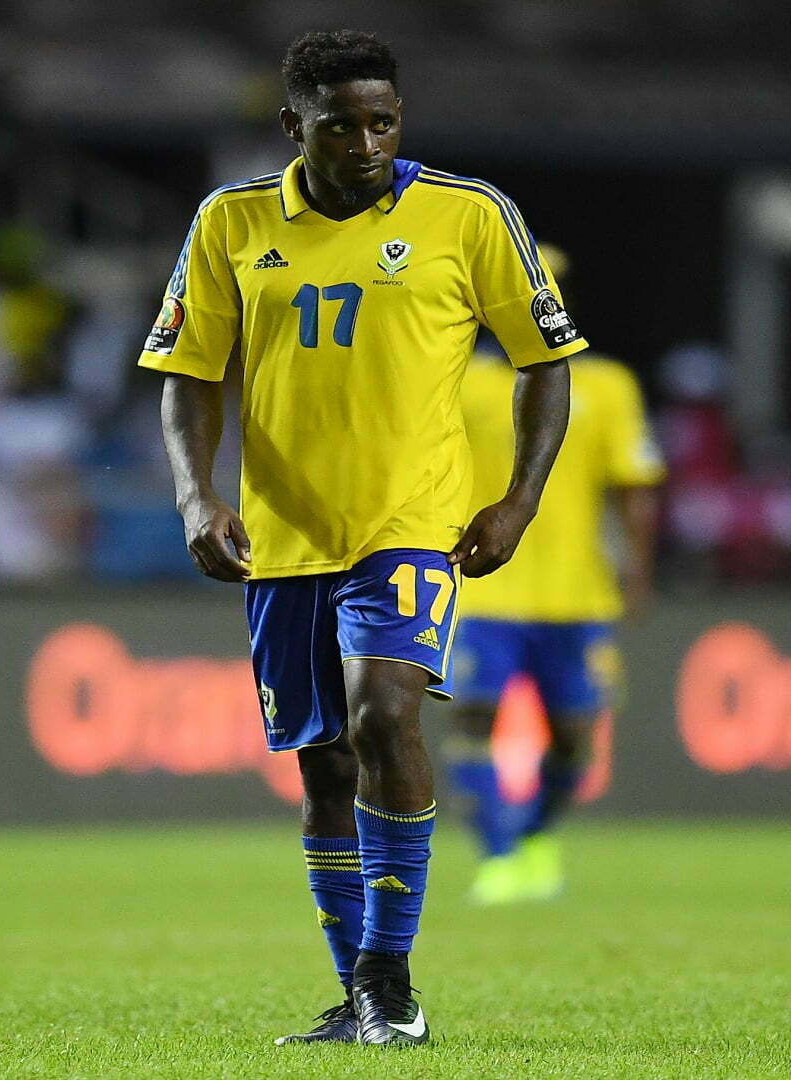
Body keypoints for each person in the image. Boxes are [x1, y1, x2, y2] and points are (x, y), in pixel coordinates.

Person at [141, 31, 583, 1046]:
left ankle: (390, 975)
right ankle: (362, 997)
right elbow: (190, 373)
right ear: (295, 126)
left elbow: (544, 357)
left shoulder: (469, 215)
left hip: (412, 526)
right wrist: (194, 499)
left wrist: (516, 499)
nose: (368, 143)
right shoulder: (233, 221)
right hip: (285, 536)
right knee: (326, 764)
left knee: (388, 720)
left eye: (385, 121)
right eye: (342, 126)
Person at [446, 245, 665, 905]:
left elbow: (635, 486)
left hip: (577, 594)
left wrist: (639, 573)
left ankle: (534, 834)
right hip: (481, 588)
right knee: (473, 719)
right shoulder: (458, 382)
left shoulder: (607, 386)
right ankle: (500, 854)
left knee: (575, 738)